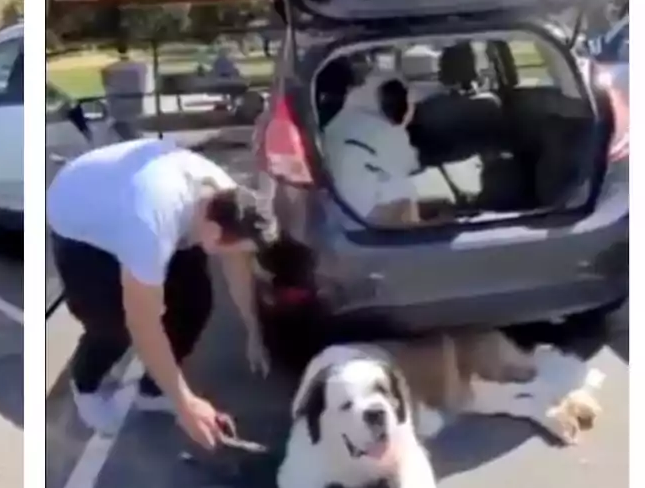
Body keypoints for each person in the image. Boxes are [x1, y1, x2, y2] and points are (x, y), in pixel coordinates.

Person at [46, 137, 270, 449]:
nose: (231, 256)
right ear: (215, 233)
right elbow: (143, 323)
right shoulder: (150, 228)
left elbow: (237, 267)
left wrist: (253, 332)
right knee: (114, 322)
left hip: (138, 206)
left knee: (196, 303)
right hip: (79, 220)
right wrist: (186, 405)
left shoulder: (228, 200)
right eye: (232, 249)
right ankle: (86, 384)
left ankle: (152, 390)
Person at [322, 71, 424, 227]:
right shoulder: (389, 133)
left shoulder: (337, 123)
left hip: (334, 213)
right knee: (407, 195)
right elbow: (412, 164)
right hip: (369, 215)